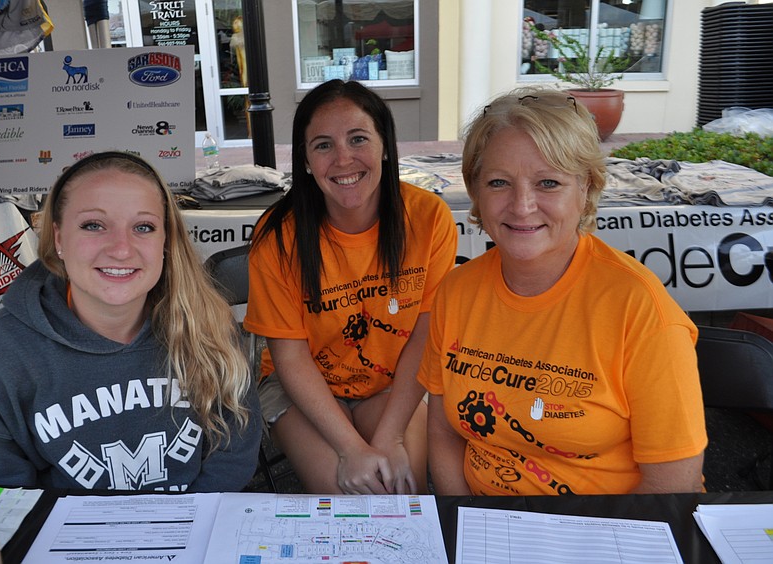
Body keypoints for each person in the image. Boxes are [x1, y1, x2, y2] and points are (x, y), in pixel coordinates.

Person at [418, 88, 708, 496]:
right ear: (476, 191)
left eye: (548, 183)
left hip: (608, 536)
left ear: (586, 188)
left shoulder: (639, 310)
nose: (521, 206)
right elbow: (445, 433)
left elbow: (673, 485)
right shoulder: (456, 291)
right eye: (499, 182)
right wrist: (463, 522)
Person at [0, 151, 262, 491]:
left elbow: (235, 445)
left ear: (165, 241)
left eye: (143, 227)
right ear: (59, 239)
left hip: (193, 528)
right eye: (93, 225)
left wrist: (188, 524)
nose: (122, 249)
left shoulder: (206, 322)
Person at [244, 79, 458, 494]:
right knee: (347, 500)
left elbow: (424, 336)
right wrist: (349, 449)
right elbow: (290, 357)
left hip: (391, 384)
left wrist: (390, 438)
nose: (343, 159)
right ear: (305, 160)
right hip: (302, 390)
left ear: (385, 146)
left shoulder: (428, 217)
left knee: (399, 489)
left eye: (358, 139)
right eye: (323, 145)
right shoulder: (277, 236)